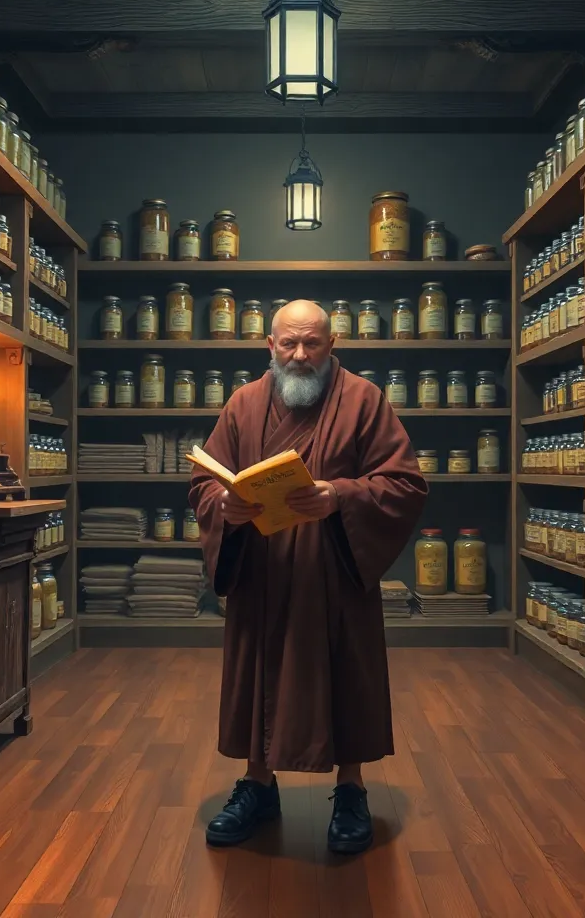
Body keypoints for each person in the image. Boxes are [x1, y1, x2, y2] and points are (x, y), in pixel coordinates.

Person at [189, 299, 428, 854]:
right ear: (269, 345)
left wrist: (340, 496)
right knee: (258, 677)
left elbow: (405, 484)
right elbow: (203, 483)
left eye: (312, 343)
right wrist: (225, 507)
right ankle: (257, 785)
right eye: (288, 343)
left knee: (345, 673)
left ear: (332, 344)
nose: (300, 355)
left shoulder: (364, 400)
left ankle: (351, 790)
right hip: (262, 572)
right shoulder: (244, 404)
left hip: (334, 572)